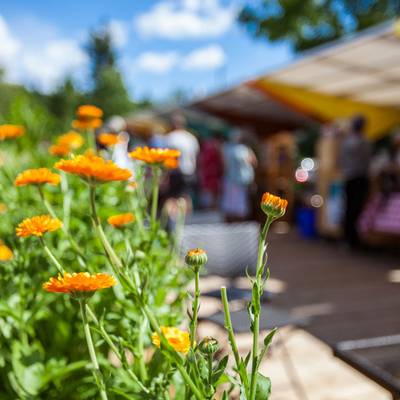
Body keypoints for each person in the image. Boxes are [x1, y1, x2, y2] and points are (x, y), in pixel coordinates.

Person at [339, 115, 371, 248]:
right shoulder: (364, 141)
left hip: (348, 177)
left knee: (348, 208)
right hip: (359, 177)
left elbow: (340, 160)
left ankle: (347, 238)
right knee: (356, 208)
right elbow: (368, 160)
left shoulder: (346, 142)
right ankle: (352, 239)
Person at [222, 129, 257, 222]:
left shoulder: (235, 148)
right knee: (235, 203)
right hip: (235, 180)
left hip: (239, 180)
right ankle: (236, 224)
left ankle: (238, 223)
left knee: (237, 203)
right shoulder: (232, 148)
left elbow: (253, 161)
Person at [165, 113, 199, 198]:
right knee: (186, 197)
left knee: (173, 198)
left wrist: (166, 175)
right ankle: (187, 212)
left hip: (176, 173)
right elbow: (196, 156)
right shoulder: (191, 137)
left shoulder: (171, 137)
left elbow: (171, 157)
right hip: (190, 172)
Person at [198, 134, 224, 209]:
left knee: (209, 191)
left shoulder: (205, 146)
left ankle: (209, 208)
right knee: (213, 191)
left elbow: (200, 159)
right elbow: (221, 160)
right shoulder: (216, 146)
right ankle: (212, 208)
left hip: (207, 172)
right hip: (213, 172)